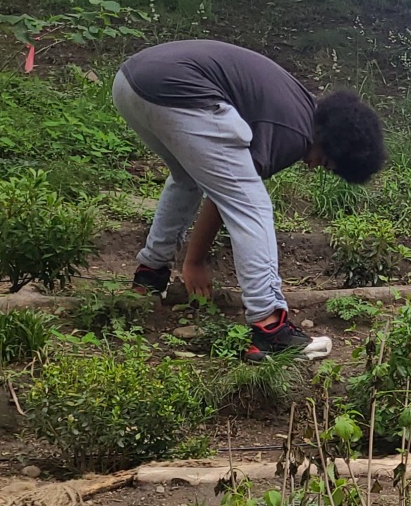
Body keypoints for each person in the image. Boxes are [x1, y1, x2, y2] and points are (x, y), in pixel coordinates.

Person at [113, 39, 386, 362]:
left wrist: (195, 259)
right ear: (329, 140)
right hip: (177, 89)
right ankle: (271, 327)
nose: (313, 167)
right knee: (254, 206)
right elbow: (235, 200)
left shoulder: (301, 105)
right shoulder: (294, 133)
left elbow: (221, 185)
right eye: (325, 163)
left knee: (187, 178)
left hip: (131, 82)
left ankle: (150, 275)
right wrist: (194, 261)